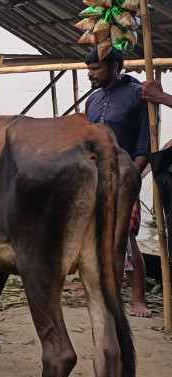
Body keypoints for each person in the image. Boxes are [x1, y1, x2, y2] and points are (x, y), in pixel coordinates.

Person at [83, 46, 151, 317]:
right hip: (92, 176)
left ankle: (139, 300)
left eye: (95, 68)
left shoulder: (138, 95)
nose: (90, 74)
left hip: (125, 175)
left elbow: (145, 143)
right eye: (88, 69)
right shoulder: (93, 100)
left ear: (114, 67)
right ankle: (101, 289)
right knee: (93, 233)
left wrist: (131, 178)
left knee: (126, 235)